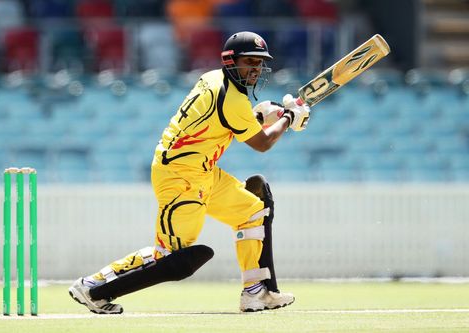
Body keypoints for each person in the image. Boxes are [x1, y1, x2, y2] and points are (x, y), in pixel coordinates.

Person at [69, 31, 310, 314]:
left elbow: (219, 125)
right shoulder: (232, 99)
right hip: (180, 175)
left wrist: (259, 117)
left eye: (260, 63)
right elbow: (262, 143)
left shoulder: (212, 78)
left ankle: (255, 292)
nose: (256, 69)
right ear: (231, 61)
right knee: (170, 255)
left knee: (252, 210)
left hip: (202, 171)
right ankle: (92, 287)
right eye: (249, 62)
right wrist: (288, 118)